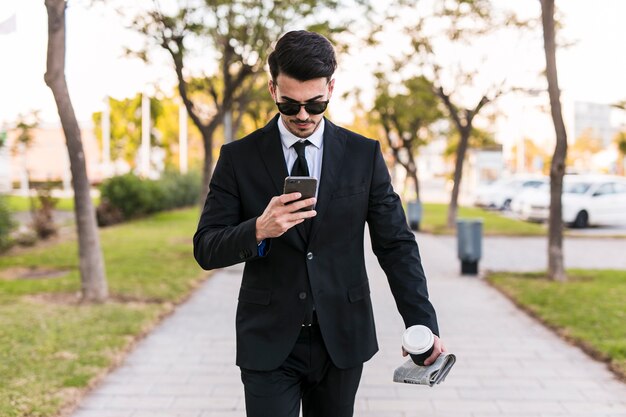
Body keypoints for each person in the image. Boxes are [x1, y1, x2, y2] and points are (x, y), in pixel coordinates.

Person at [193, 30, 445, 417]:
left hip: (341, 337)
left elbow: (395, 244)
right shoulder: (237, 158)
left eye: (316, 103)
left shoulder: (364, 155)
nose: (304, 116)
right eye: (289, 105)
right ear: (272, 88)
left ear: (330, 87)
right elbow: (206, 248)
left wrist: (422, 324)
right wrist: (259, 228)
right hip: (268, 338)